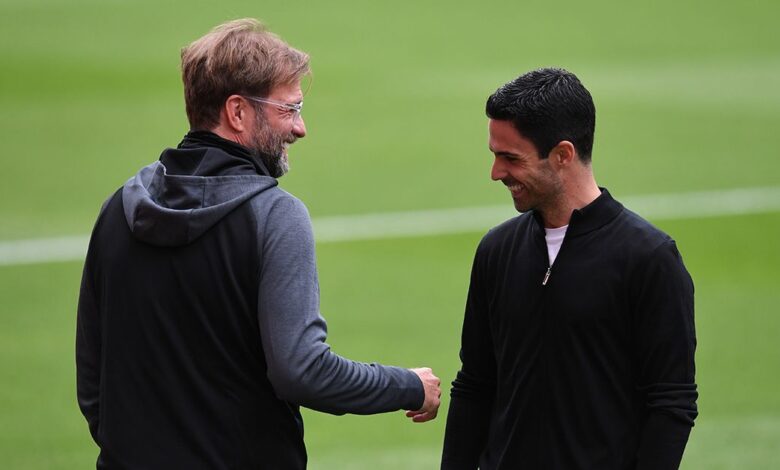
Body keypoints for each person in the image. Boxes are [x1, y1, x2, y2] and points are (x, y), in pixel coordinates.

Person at [76, 18, 440, 469]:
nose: (301, 128)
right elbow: (301, 370)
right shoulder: (275, 216)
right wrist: (407, 385)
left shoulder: (120, 208)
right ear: (238, 112)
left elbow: (93, 383)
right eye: (290, 109)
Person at [440, 68, 697, 469]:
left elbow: (671, 403)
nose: (496, 173)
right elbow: (475, 385)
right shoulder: (497, 250)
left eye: (510, 158)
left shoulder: (649, 258)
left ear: (562, 155)